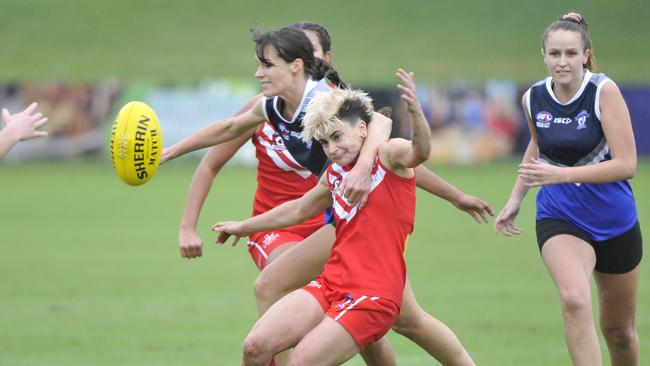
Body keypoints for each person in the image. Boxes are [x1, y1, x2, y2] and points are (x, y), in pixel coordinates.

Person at [165, 24, 489, 365]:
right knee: (389, 321)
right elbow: (230, 132)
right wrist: (172, 152)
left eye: (267, 64)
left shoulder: (327, 100)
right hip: (331, 220)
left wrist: (369, 167)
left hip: (351, 223)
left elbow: (383, 130)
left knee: (390, 317)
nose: (258, 72)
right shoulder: (274, 107)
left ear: (301, 64)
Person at [213, 68, 432, 365]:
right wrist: (243, 226)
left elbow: (420, 151)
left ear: (363, 130)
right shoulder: (336, 173)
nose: (332, 148)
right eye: (326, 142)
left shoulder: (389, 155)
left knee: (302, 361)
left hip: (373, 295)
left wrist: (416, 112)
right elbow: (298, 209)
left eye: (338, 136)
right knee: (256, 347)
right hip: (332, 283)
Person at [494, 12, 642, 366]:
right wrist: (516, 198)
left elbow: (627, 165)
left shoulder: (603, 92)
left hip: (614, 218)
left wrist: (562, 175)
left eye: (571, 54)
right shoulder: (533, 98)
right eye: (555, 54)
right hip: (559, 213)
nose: (563, 62)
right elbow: (537, 146)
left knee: (619, 331)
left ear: (586, 54)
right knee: (574, 298)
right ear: (543, 55)